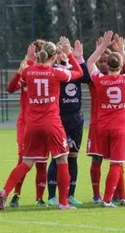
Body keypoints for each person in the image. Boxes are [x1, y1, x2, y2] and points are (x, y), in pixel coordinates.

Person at [0, 37, 83, 210]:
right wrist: (71, 55)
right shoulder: (56, 73)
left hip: (32, 124)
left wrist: (25, 64)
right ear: (53, 57)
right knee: (62, 159)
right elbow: (79, 73)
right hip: (51, 123)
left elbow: (11, 87)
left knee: (26, 162)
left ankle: (5, 191)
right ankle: (63, 203)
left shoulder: (28, 71)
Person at [87, 31, 125, 207]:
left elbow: (90, 62)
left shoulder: (100, 80)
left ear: (107, 65)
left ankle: (122, 196)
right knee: (117, 163)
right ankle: (107, 199)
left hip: (102, 127)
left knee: (116, 162)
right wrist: (122, 51)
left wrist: (102, 46)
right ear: (120, 65)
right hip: (120, 128)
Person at [46, 40, 91, 207]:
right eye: (59, 51)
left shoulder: (74, 69)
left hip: (75, 118)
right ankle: (52, 196)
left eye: (65, 50)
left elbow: (87, 77)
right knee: (58, 156)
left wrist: (79, 58)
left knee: (73, 156)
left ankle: (70, 194)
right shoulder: (53, 71)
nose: (63, 53)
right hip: (59, 118)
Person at [6, 40, 48, 208]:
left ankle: (40, 198)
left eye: (40, 51)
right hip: (26, 123)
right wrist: (20, 70)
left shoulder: (49, 70)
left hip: (43, 121)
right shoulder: (26, 69)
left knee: (42, 161)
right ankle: (16, 194)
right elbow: (10, 88)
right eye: (35, 51)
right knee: (23, 159)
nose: (37, 54)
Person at [87, 43, 111, 204]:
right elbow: (89, 64)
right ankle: (96, 194)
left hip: (112, 124)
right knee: (96, 159)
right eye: (100, 60)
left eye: (105, 60)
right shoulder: (94, 79)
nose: (102, 63)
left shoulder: (118, 77)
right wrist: (100, 49)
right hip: (96, 124)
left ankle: (116, 193)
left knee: (117, 161)